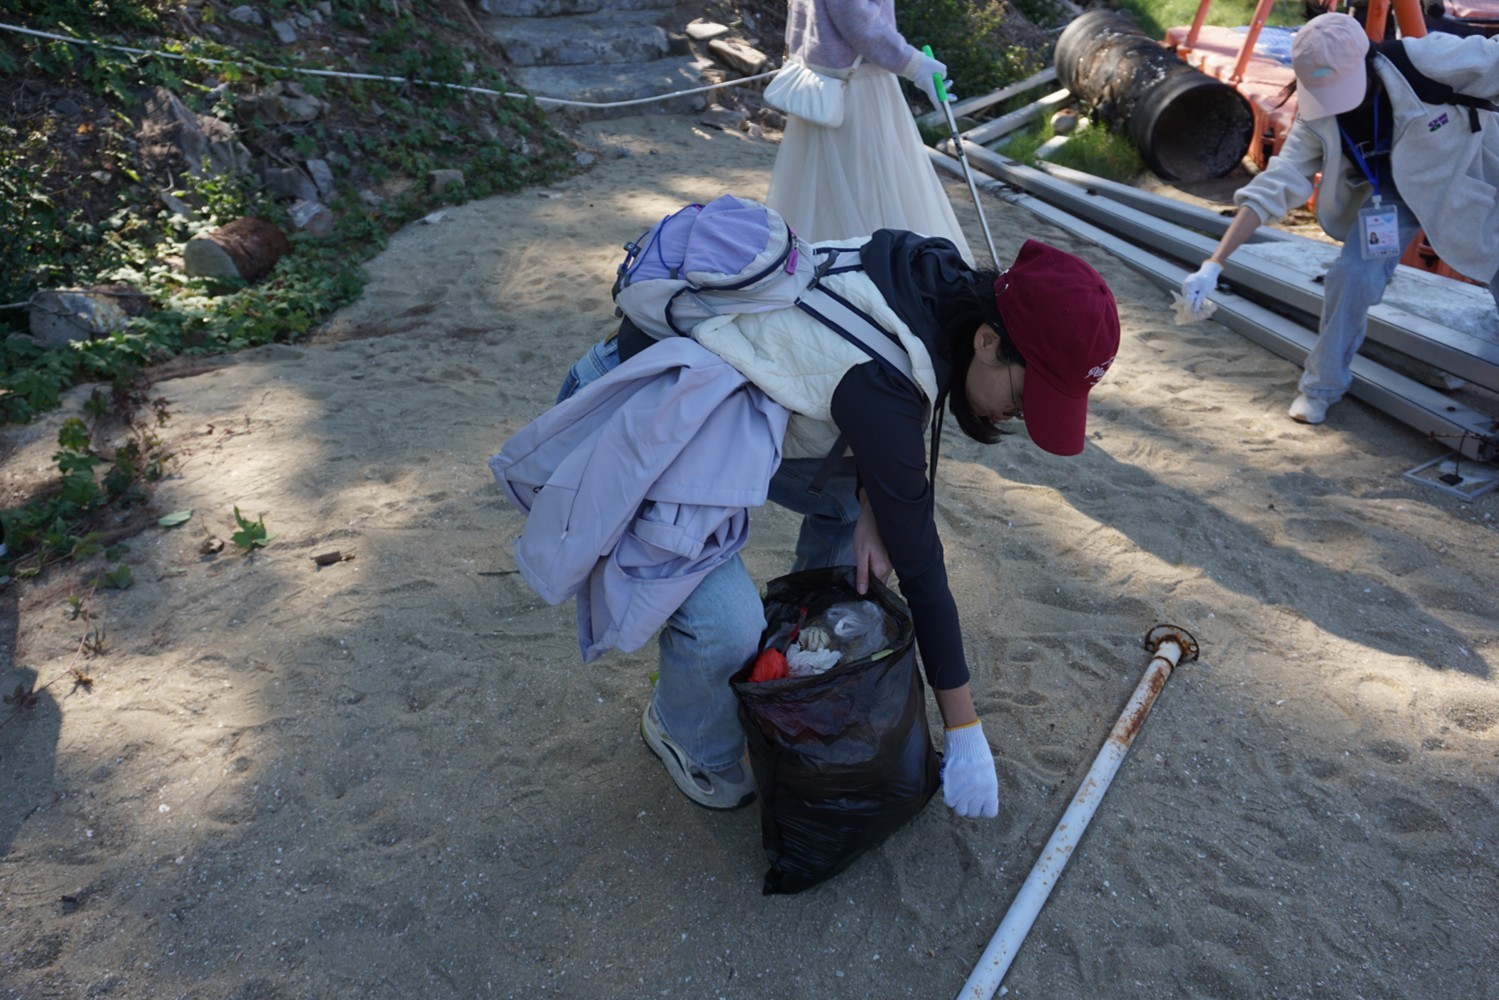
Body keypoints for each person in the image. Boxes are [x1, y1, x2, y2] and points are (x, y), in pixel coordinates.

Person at [551, 227, 1119, 821]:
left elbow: (858, 391)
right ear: (986, 340)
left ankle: (802, 636)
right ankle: (678, 728)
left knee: (860, 512)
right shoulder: (890, 381)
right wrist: (964, 728)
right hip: (625, 421)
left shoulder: (932, 274)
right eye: (1026, 399)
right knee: (730, 628)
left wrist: (874, 498)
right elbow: (922, 568)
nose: (1016, 416)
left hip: (709, 414)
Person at [1180, 13, 1499, 425]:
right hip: (1392, 196)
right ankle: (1321, 387)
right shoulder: (1317, 116)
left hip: (1471, 176)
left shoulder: (1427, 60)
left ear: (1366, 61)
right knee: (1350, 276)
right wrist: (1214, 263)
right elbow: (1276, 183)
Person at [766, 0, 975, 263]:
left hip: (822, 82)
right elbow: (856, 18)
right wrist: (913, 64)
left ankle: (821, 265)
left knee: (827, 184)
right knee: (866, 182)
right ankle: (871, 268)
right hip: (856, 88)